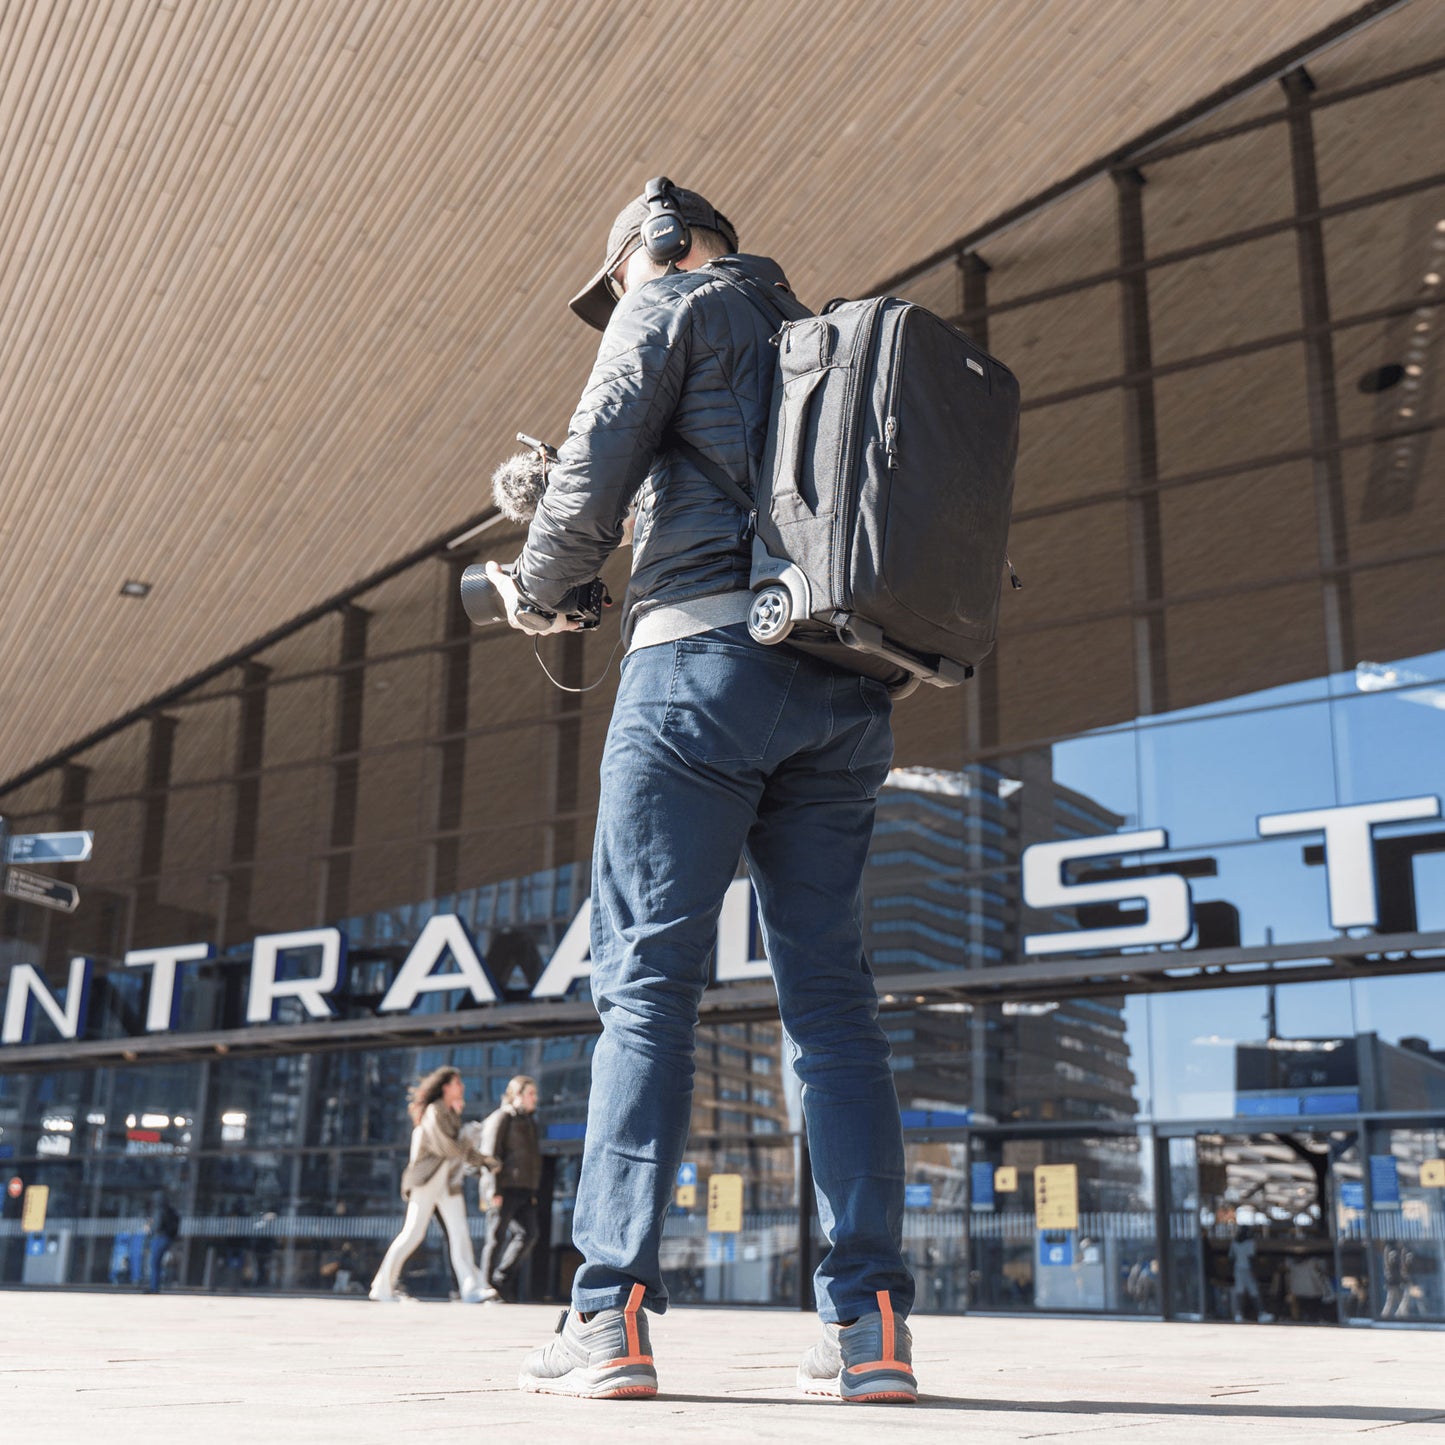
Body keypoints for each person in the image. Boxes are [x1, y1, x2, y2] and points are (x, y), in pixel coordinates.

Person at [487, 178, 916, 1402]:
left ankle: (606, 1315)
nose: (613, 298)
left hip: (697, 673)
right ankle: (870, 1324)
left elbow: (589, 474)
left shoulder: (666, 302)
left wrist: (536, 585)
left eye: (614, 277)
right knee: (832, 1008)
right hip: (841, 687)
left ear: (651, 248)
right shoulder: (819, 336)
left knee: (645, 990)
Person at [369, 1065, 498, 1303]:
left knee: (460, 1234)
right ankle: (382, 1287)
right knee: (413, 1234)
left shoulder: (448, 1112)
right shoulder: (434, 1111)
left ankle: (470, 1289)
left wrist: (485, 1161)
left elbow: (459, 1149)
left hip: (448, 1183)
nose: (463, 1087)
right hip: (427, 1180)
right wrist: (478, 1155)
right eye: (458, 1083)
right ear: (446, 1087)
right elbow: (447, 1147)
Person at [477, 1074, 543, 1302]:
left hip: (524, 1190)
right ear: (517, 1095)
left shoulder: (530, 1122)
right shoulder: (502, 1118)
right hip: (503, 1189)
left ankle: (500, 1280)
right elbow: (490, 1155)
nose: (535, 1098)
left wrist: (533, 1191)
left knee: (530, 1233)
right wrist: (493, 1190)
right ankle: (484, 1286)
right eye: (531, 1093)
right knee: (495, 1237)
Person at [1229, 1225, 1274, 1323]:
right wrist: (1255, 1273)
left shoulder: (1234, 1242)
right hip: (1248, 1270)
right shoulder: (1250, 1243)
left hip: (1238, 1269)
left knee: (1239, 1292)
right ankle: (1261, 1314)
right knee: (1254, 1292)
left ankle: (1238, 1314)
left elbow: (1231, 1258)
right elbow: (1251, 1258)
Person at [143, 1189, 179, 1293]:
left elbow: (156, 1226)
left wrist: (149, 1227)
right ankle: (154, 1286)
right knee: (157, 1263)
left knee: (154, 1263)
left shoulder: (159, 1211)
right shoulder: (171, 1211)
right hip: (167, 1238)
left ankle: (154, 1287)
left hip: (160, 1238)